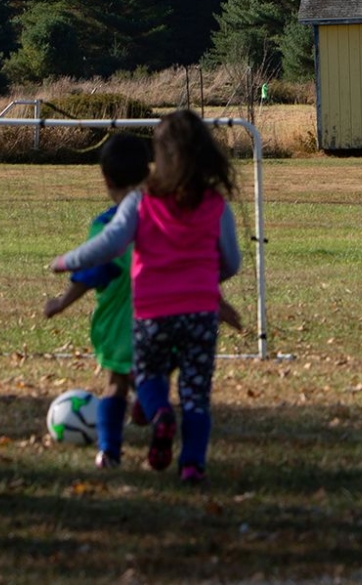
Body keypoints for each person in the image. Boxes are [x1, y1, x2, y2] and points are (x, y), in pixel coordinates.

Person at [52, 109, 242, 484]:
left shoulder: (141, 202)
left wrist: (66, 260)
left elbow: (110, 244)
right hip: (201, 314)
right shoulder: (215, 204)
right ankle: (191, 465)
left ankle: (159, 415)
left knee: (151, 375)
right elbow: (232, 262)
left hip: (152, 313)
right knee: (196, 393)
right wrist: (206, 279)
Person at [43, 132, 149, 468]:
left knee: (115, 385)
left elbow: (92, 273)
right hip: (165, 318)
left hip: (119, 323)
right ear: (148, 172)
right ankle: (149, 410)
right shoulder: (163, 220)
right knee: (151, 381)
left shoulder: (105, 226)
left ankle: (109, 451)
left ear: (105, 178)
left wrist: (60, 303)